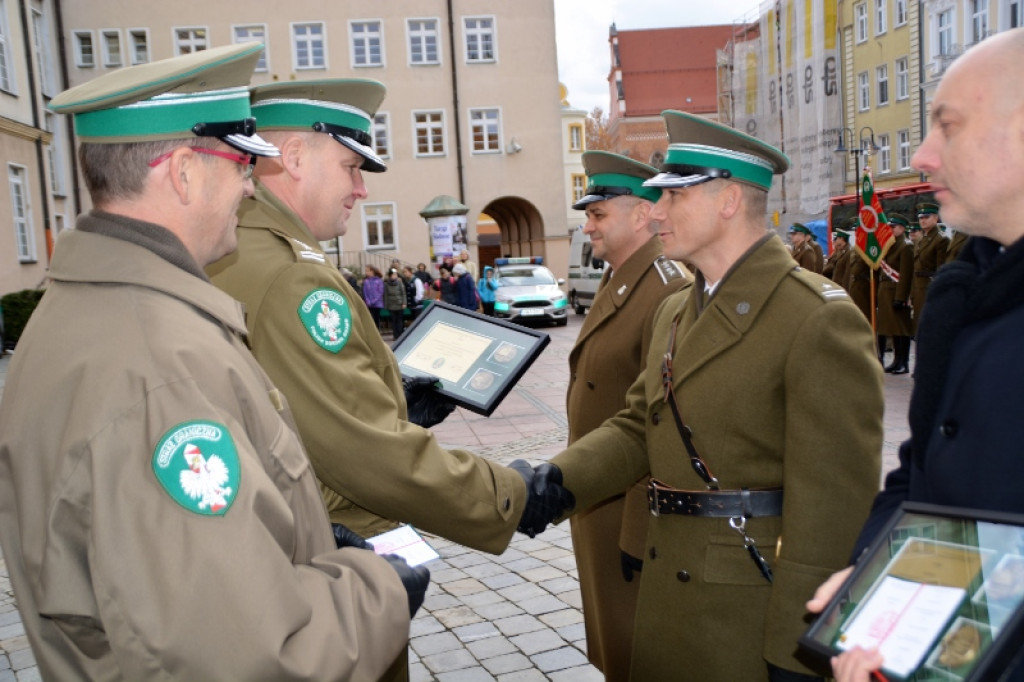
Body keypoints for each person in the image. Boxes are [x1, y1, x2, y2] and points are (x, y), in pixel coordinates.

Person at [0, 44, 425, 681]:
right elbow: (244, 655)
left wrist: (303, 542)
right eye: (241, 166)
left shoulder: (90, 313)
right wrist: (377, 589)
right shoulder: (154, 370)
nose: (251, 187)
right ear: (184, 173)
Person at [519, 111, 884, 681]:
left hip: (745, 606)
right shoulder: (676, 309)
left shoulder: (815, 318)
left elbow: (834, 507)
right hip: (670, 590)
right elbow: (638, 427)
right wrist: (554, 483)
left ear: (729, 201)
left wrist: (799, 648)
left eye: (673, 196)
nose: (656, 211)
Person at [206, 78, 564, 597]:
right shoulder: (294, 276)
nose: (362, 188)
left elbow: (290, 411)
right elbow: (363, 452)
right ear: (294, 157)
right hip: (327, 562)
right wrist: (508, 495)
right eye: (351, 167)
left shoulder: (242, 248)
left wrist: (394, 401)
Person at [807, 28, 1024, 682]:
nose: (923, 157)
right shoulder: (968, 296)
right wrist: (872, 577)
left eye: (947, 127)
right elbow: (919, 478)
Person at [565, 150, 691, 680]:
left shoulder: (667, 289)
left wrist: (637, 533)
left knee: (638, 654)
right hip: (600, 502)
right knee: (618, 651)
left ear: (641, 215)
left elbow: (663, 421)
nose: (588, 225)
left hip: (628, 516)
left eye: (599, 214)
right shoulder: (622, 279)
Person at [875, 215, 914, 374]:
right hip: (885, 291)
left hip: (896, 292)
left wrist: (901, 297)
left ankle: (903, 362)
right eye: (890, 227)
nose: (891, 229)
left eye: (894, 227)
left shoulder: (905, 247)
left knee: (901, 329)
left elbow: (905, 274)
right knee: (890, 328)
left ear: (903, 228)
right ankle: (896, 361)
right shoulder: (889, 245)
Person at [910, 201, 949, 334]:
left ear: (936, 218)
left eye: (926, 217)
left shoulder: (941, 239)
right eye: (921, 218)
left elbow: (941, 269)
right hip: (918, 287)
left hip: (929, 287)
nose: (923, 220)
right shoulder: (920, 239)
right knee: (919, 327)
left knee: (931, 327)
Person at [384, 267, 407, 336]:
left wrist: (404, 302)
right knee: (394, 321)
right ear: (390, 275)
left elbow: (403, 293)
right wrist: (386, 305)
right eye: (393, 274)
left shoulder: (400, 282)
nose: (395, 276)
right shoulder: (387, 284)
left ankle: (400, 334)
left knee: (400, 320)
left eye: (396, 274)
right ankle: (395, 334)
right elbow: (386, 295)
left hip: (399, 304)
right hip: (391, 305)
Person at [362, 264, 385, 331]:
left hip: (377, 304)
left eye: (367, 271)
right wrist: (368, 301)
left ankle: (377, 331)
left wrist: (374, 301)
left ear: (372, 271)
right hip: (369, 304)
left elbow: (380, 292)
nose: (366, 273)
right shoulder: (366, 281)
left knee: (376, 319)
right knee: (370, 319)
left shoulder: (379, 281)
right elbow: (365, 292)